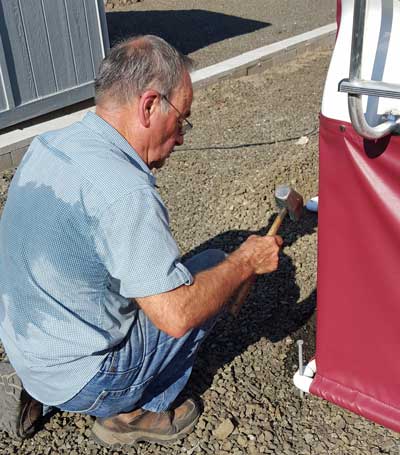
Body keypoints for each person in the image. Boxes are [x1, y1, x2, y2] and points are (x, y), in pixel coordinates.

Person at [0, 35, 282, 447]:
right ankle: (130, 412)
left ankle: (35, 379)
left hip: (26, 338)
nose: (182, 136)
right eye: (182, 120)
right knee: (212, 269)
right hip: (85, 375)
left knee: (160, 275)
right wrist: (245, 262)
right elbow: (175, 316)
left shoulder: (51, 144)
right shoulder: (125, 192)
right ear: (150, 105)